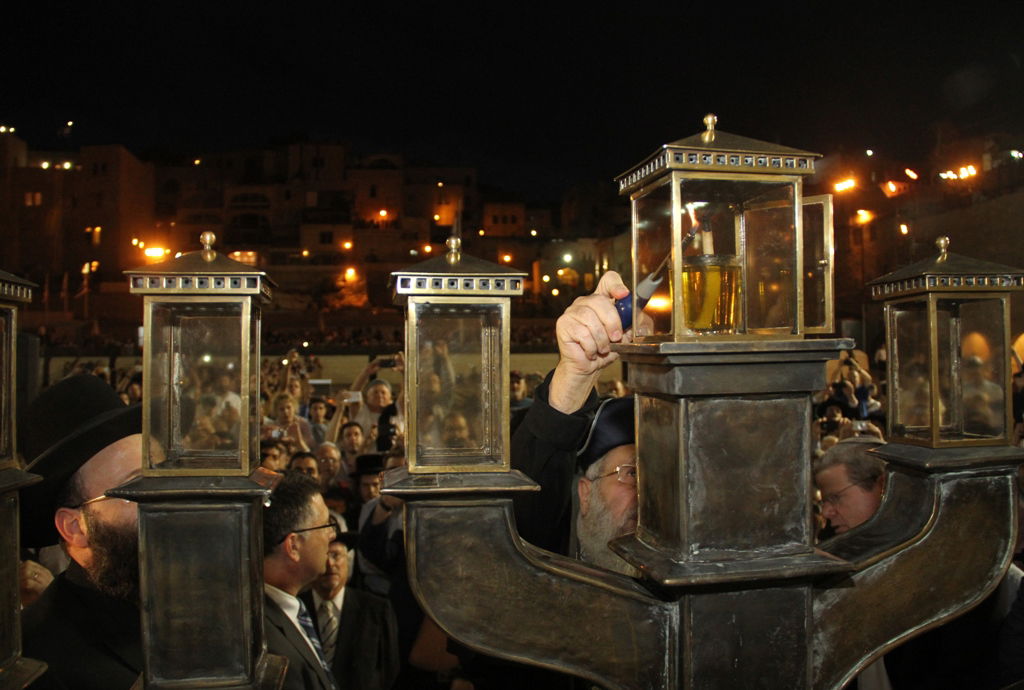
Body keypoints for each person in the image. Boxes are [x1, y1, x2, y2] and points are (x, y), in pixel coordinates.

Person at [18, 375, 145, 690]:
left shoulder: (197, 603)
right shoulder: (37, 664)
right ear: (75, 527)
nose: (166, 505)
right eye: (136, 488)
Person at [512, 271, 639, 573]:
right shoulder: (548, 567)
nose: (648, 496)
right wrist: (576, 376)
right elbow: (523, 509)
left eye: (662, 477)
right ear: (585, 494)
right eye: (631, 473)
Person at [262, 472, 340, 690]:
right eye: (325, 525)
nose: (332, 535)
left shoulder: (288, 611)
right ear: (293, 546)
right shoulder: (267, 642)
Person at [300, 536, 400, 690]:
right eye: (323, 555)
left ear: (348, 561)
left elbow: (390, 670)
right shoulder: (297, 610)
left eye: (336, 555)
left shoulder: (376, 610)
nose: (330, 563)